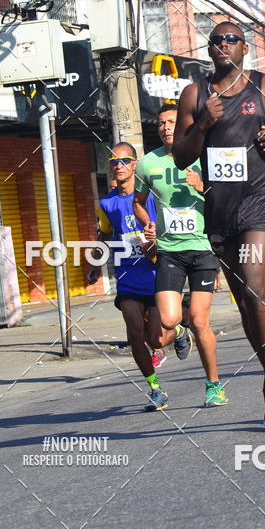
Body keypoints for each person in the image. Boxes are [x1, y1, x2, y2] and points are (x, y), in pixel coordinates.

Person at [173, 20, 265, 428]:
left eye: (231, 39)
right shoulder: (195, 94)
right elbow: (180, 156)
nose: (223, 45)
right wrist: (204, 124)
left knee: (253, 282)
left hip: (263, 200)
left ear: (245, 48)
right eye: (216, 41)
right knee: (246, 300)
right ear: (209, 50)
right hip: (221, 208)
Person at [133, 103, 228, 408]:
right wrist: (147, 222)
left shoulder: (203, 156)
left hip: (202, 248)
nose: (165, 127)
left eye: (171, 121)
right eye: (160, 123)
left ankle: (214, 386)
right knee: (168, 320)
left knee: (202, 322)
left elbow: (226, 199)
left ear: (185, 124)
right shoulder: (147, 164)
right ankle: (181, 326)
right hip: (169, 251)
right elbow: (138, 201)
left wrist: (203, 187)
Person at [87, 142, 177, 411]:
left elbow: (168, 226)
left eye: (125, 161)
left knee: (156, 339)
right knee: (135, 335)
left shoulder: (150, 196)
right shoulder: (106, 203)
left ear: (135, 164)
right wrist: (94, 261)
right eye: (114, 162)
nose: (119, 166)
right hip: (126, 276)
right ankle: (155, 388)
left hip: (154, 274)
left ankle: (181, 329)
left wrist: (158, 243)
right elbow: (104, 234)